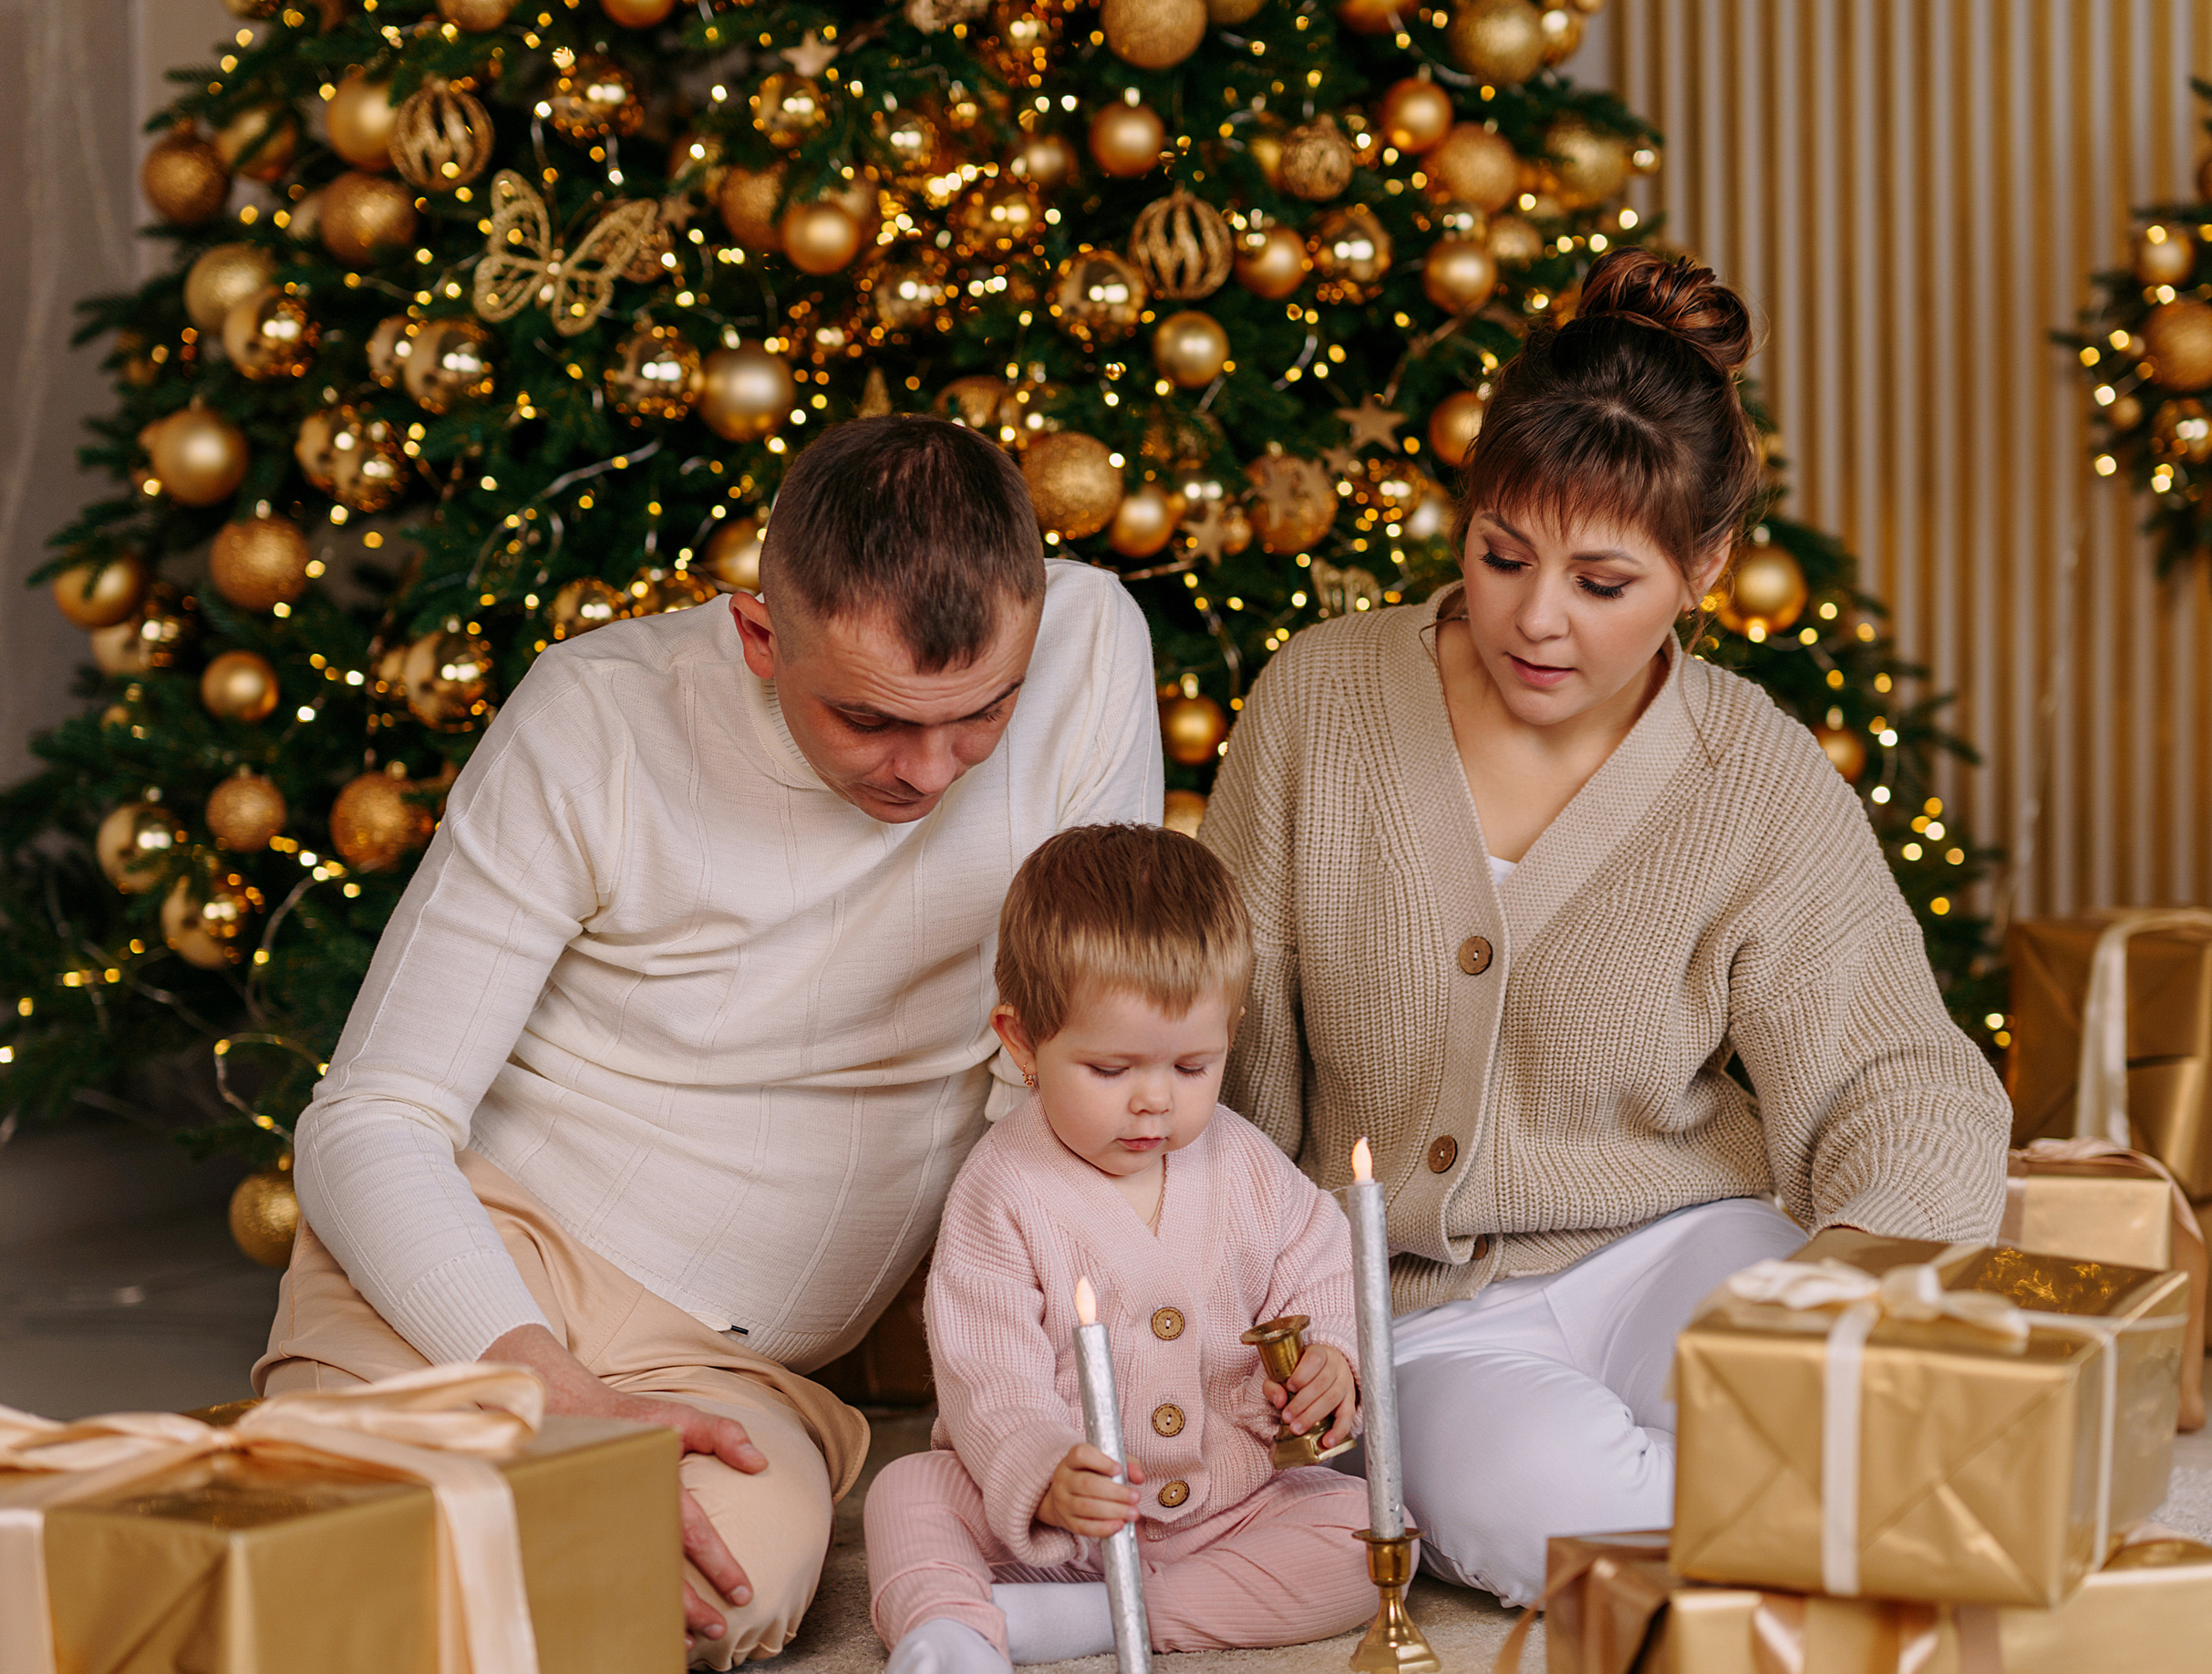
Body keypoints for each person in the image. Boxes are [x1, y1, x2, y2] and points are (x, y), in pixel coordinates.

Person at [252, 416, 1162, 1667]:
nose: (931, 771)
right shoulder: (595, 720)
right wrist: (543, 1386)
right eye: (872, 720)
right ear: (756, 635)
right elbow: (369, 1121)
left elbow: (1068, 1063)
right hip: (479, 1259)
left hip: (732, 1370)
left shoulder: (1092, 644)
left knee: (689, 1595)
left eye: (981, 717)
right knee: (341, 1564)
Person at [1198, 250, 2010, 1607]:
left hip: (1682, 1241)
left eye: (1603, 582)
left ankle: (1781, 1503)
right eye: (1503, 553)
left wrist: (1854, 1278)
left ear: (1705, 567)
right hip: (1417, 1310)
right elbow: (1223, 1050)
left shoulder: (1747, 767)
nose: (1537, 618)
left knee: (1849, 1407)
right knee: (1552, 1519)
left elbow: (1898, 1074)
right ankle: (1802, 1534)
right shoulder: (1319, 705)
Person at [865, 823, 1380, 1674]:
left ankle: (1098, 1620)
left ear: (1231, 1031)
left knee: (1363, 1534)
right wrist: (1045, 1467)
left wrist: (1335, 1360)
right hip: (1055, 1522)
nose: (1154, 1104)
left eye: (1192, 1068)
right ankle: (951, 1628)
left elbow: (1322, 1269)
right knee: (907, 1496)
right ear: (1023, 1040)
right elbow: (984, 1375)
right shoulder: (1004, 1191)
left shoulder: (1248, 1165)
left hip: (1228, 1506)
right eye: (1110, 1071)